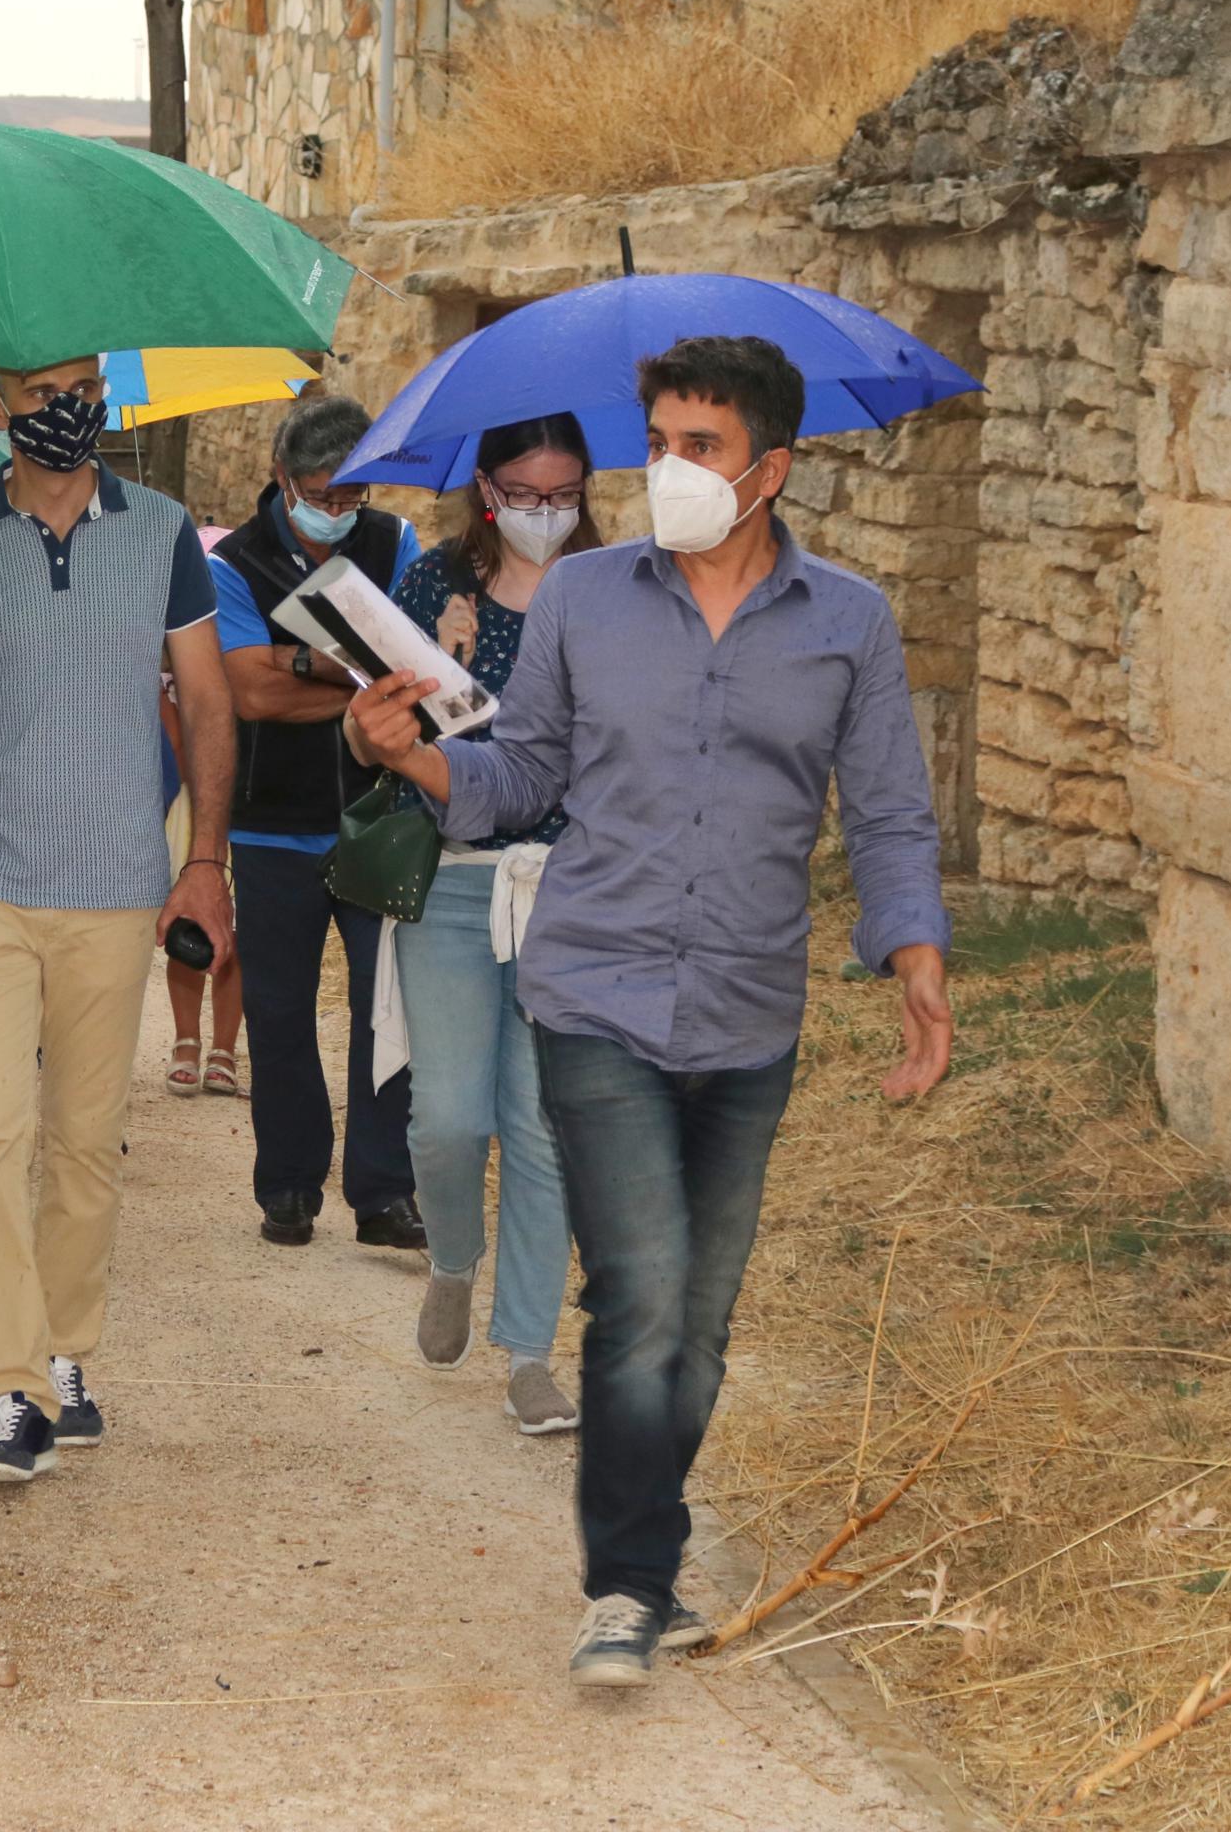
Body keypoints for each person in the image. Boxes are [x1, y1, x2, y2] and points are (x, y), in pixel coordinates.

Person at [345, 335, 951, 1688]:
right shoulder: (587, 603)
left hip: (748, 1005)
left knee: (704, 1312)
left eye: (702, 448)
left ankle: (644, 1554)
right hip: (595, 989)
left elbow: (893, 811)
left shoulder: (849, 622)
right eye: (659, 443)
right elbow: (524, 776)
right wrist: (419, 760)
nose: (669, 470)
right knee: (642, 1297)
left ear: (770, 469)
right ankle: (626, 1586)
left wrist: (915, 953)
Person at [0, 353, 235, 1483]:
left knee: (84, 1142)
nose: (68, 408)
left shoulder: (168, 530)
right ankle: (9, 1383)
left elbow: (207, 698)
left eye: (85, 384)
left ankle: (66, 1350)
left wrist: (204, 859)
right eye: (41, 392)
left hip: (115, 880)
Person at [385, 413, 604, 1435]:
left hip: (574, 889)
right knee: (450, 1116)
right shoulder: (432, 586)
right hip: (457, 877)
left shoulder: (618, 590)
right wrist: (442, 669)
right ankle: (451, 1260)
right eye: (526, 495)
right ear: (488, 491)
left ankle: (529, 1352)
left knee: (545, 1127)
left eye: (563, 493)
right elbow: (378, 728)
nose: (546, 513)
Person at [206, 395, 425, 1250]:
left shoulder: (395, 543)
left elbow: (407, 672)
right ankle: (289, 1186)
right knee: (280, 1012)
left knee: (387, 1013)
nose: (336, 515)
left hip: (376, 818)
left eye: (350, 499)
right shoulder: (234, 563)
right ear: (280, 476)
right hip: (269, 827)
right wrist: (349, 672)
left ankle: (384, 1193)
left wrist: (292, 658)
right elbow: (247, 690)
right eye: (320, 495)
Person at [160, 665, 244, 1097]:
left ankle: (222, 1049)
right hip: (198, 803)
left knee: (236, 931)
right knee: (189, 926)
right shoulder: (171, 676)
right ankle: (187, 1040)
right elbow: (176, 743)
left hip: (245, 801)